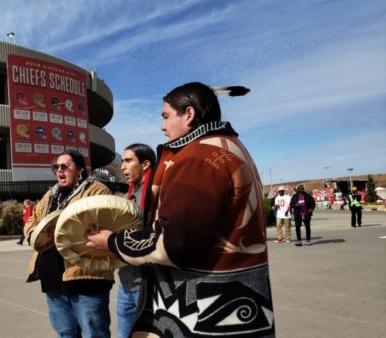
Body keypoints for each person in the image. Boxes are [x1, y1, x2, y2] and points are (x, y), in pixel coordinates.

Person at [87, 82, 275, 337]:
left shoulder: (199, 156)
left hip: (205, 309)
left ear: (189, 114)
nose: (162, 126)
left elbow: (174, 243)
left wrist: (112, 241)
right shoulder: (232, 148)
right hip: (236, 302)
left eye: (165, 117)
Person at [24, 150, 114, 338]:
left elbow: (97, 225)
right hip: (53, 281)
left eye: (65, 166)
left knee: (94, 334)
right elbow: (32, 221)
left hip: (86, 279)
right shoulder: (51, 194)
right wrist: (37, 234)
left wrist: (58, 229)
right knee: (66, 333)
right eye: (56, 167)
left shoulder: (96, 190)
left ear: (80, 170)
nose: (59, 171)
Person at [116, 143, 156, 338]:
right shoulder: (127, 196)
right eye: (122, 161)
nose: (123, 166)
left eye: (128, 160)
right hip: (126, 284)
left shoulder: (157, 194)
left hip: (150, 288)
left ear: (145, 164)